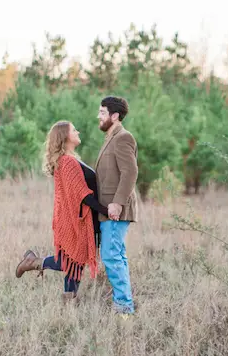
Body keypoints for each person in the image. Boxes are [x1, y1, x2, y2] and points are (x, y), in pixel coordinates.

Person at [15, 120, 108, 303]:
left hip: (82, 219)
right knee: (71, 261)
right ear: (65, 136)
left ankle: (69, 300)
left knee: (75, 263)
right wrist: (106, 210)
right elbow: (83, 196)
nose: (78, 131)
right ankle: (33, 263)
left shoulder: (70, 159)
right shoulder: (67, 162)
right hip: (78, 221)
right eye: (74, 130)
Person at [95, 96, 139, 315]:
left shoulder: (123, 137)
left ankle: (123, 307)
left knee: (111, 256)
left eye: (102, 112)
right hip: (108, 209)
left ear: (114, 116)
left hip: (115, 210)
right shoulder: (110, 138)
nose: (99, 116)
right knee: (116, 255)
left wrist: (117, 203)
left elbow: (130, 172)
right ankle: (125, 304)